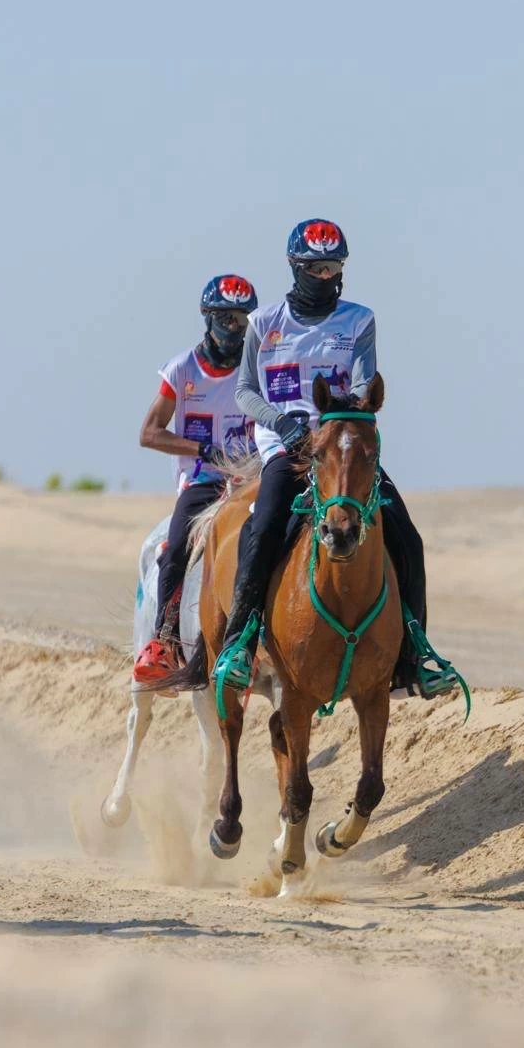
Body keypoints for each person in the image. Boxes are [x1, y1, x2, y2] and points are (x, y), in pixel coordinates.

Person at [211, 219, 448, 700]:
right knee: (263, 526)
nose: (325, 276)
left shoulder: (359, 319)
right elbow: (245, 390)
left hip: (340, 443)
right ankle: (239, 642)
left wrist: (335, 423)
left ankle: (416, 652)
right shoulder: (263, 323)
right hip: (284, 446)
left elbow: (363, 384)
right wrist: (281, 424)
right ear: (295, 268)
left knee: (405, 532)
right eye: (315, 267)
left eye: (333, 267)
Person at [132, 274, 258, 683]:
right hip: (203, 479)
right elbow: (149, 432)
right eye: (225, 317)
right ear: (208, 317)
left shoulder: (255, 369)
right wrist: (201, 450)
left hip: (251, 475)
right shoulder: (182, 368)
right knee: (178, 545)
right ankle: (163, 641)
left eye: (241, 317)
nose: (233, 326)